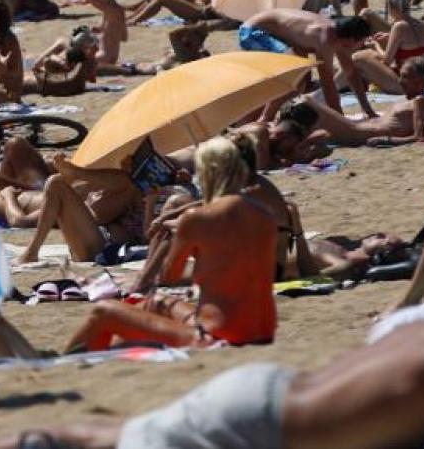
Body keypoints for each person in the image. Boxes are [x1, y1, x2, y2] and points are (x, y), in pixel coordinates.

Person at [0, 268, 424, 449]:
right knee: (128, 441)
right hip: (261, 424)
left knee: (127, 435)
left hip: (264, 390)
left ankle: (23, 442)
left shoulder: (422, 328)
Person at [62, 136, 277, 351]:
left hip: (216, 333)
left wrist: (179, 235)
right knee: (156, 303)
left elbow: (169, 276)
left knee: (104, 311)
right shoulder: (264, 215)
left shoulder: (197, 219)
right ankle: (102, 350)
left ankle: (62, 362)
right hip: (262, 332)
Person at [238, 9, 376, 117]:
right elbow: (327, 83)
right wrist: (340, 119)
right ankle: (265, 119)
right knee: (297, 81)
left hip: (280, 33)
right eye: (363, 42)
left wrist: (368, 110)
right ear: (352, 40)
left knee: (301, 81)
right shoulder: (326, 37)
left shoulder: (340, 36)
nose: (365, 45)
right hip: (253, 31)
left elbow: (351, 73)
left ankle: (263, 115)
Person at [304, 59, 424, 146]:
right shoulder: (408, 100)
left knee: (307, 101)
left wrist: (388, 140)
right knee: (313, 134)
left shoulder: (420, 101)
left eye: (406, 77)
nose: (400, 81)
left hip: (356, 132)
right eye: (401, 76)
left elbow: (419, 137)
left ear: (421, 82)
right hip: (356, 128)